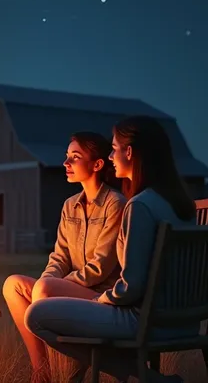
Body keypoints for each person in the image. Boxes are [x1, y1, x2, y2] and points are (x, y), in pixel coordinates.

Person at [25, 115, 199, 383]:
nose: (111, 157)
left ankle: (145, 378)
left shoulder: (139, 206)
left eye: (115, 149)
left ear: (129, 152)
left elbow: (131, 286)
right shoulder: (184, 208)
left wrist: (100, 300)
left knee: (36, 315)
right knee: (31, 292)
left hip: (142, 321)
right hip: (184, 322)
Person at [2, 131, 126, 382]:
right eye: (66, 156)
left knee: (46, 288)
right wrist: (45, 283)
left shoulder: (116, 204)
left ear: (97, 164)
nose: (66, 163)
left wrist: (54, 286)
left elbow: (101, 266)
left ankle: (64, 373)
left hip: (101, 294)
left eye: (75, 157)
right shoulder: (70, 205)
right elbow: (59, 257)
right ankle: (42, 372)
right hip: (71, 287)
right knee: (13, 285)